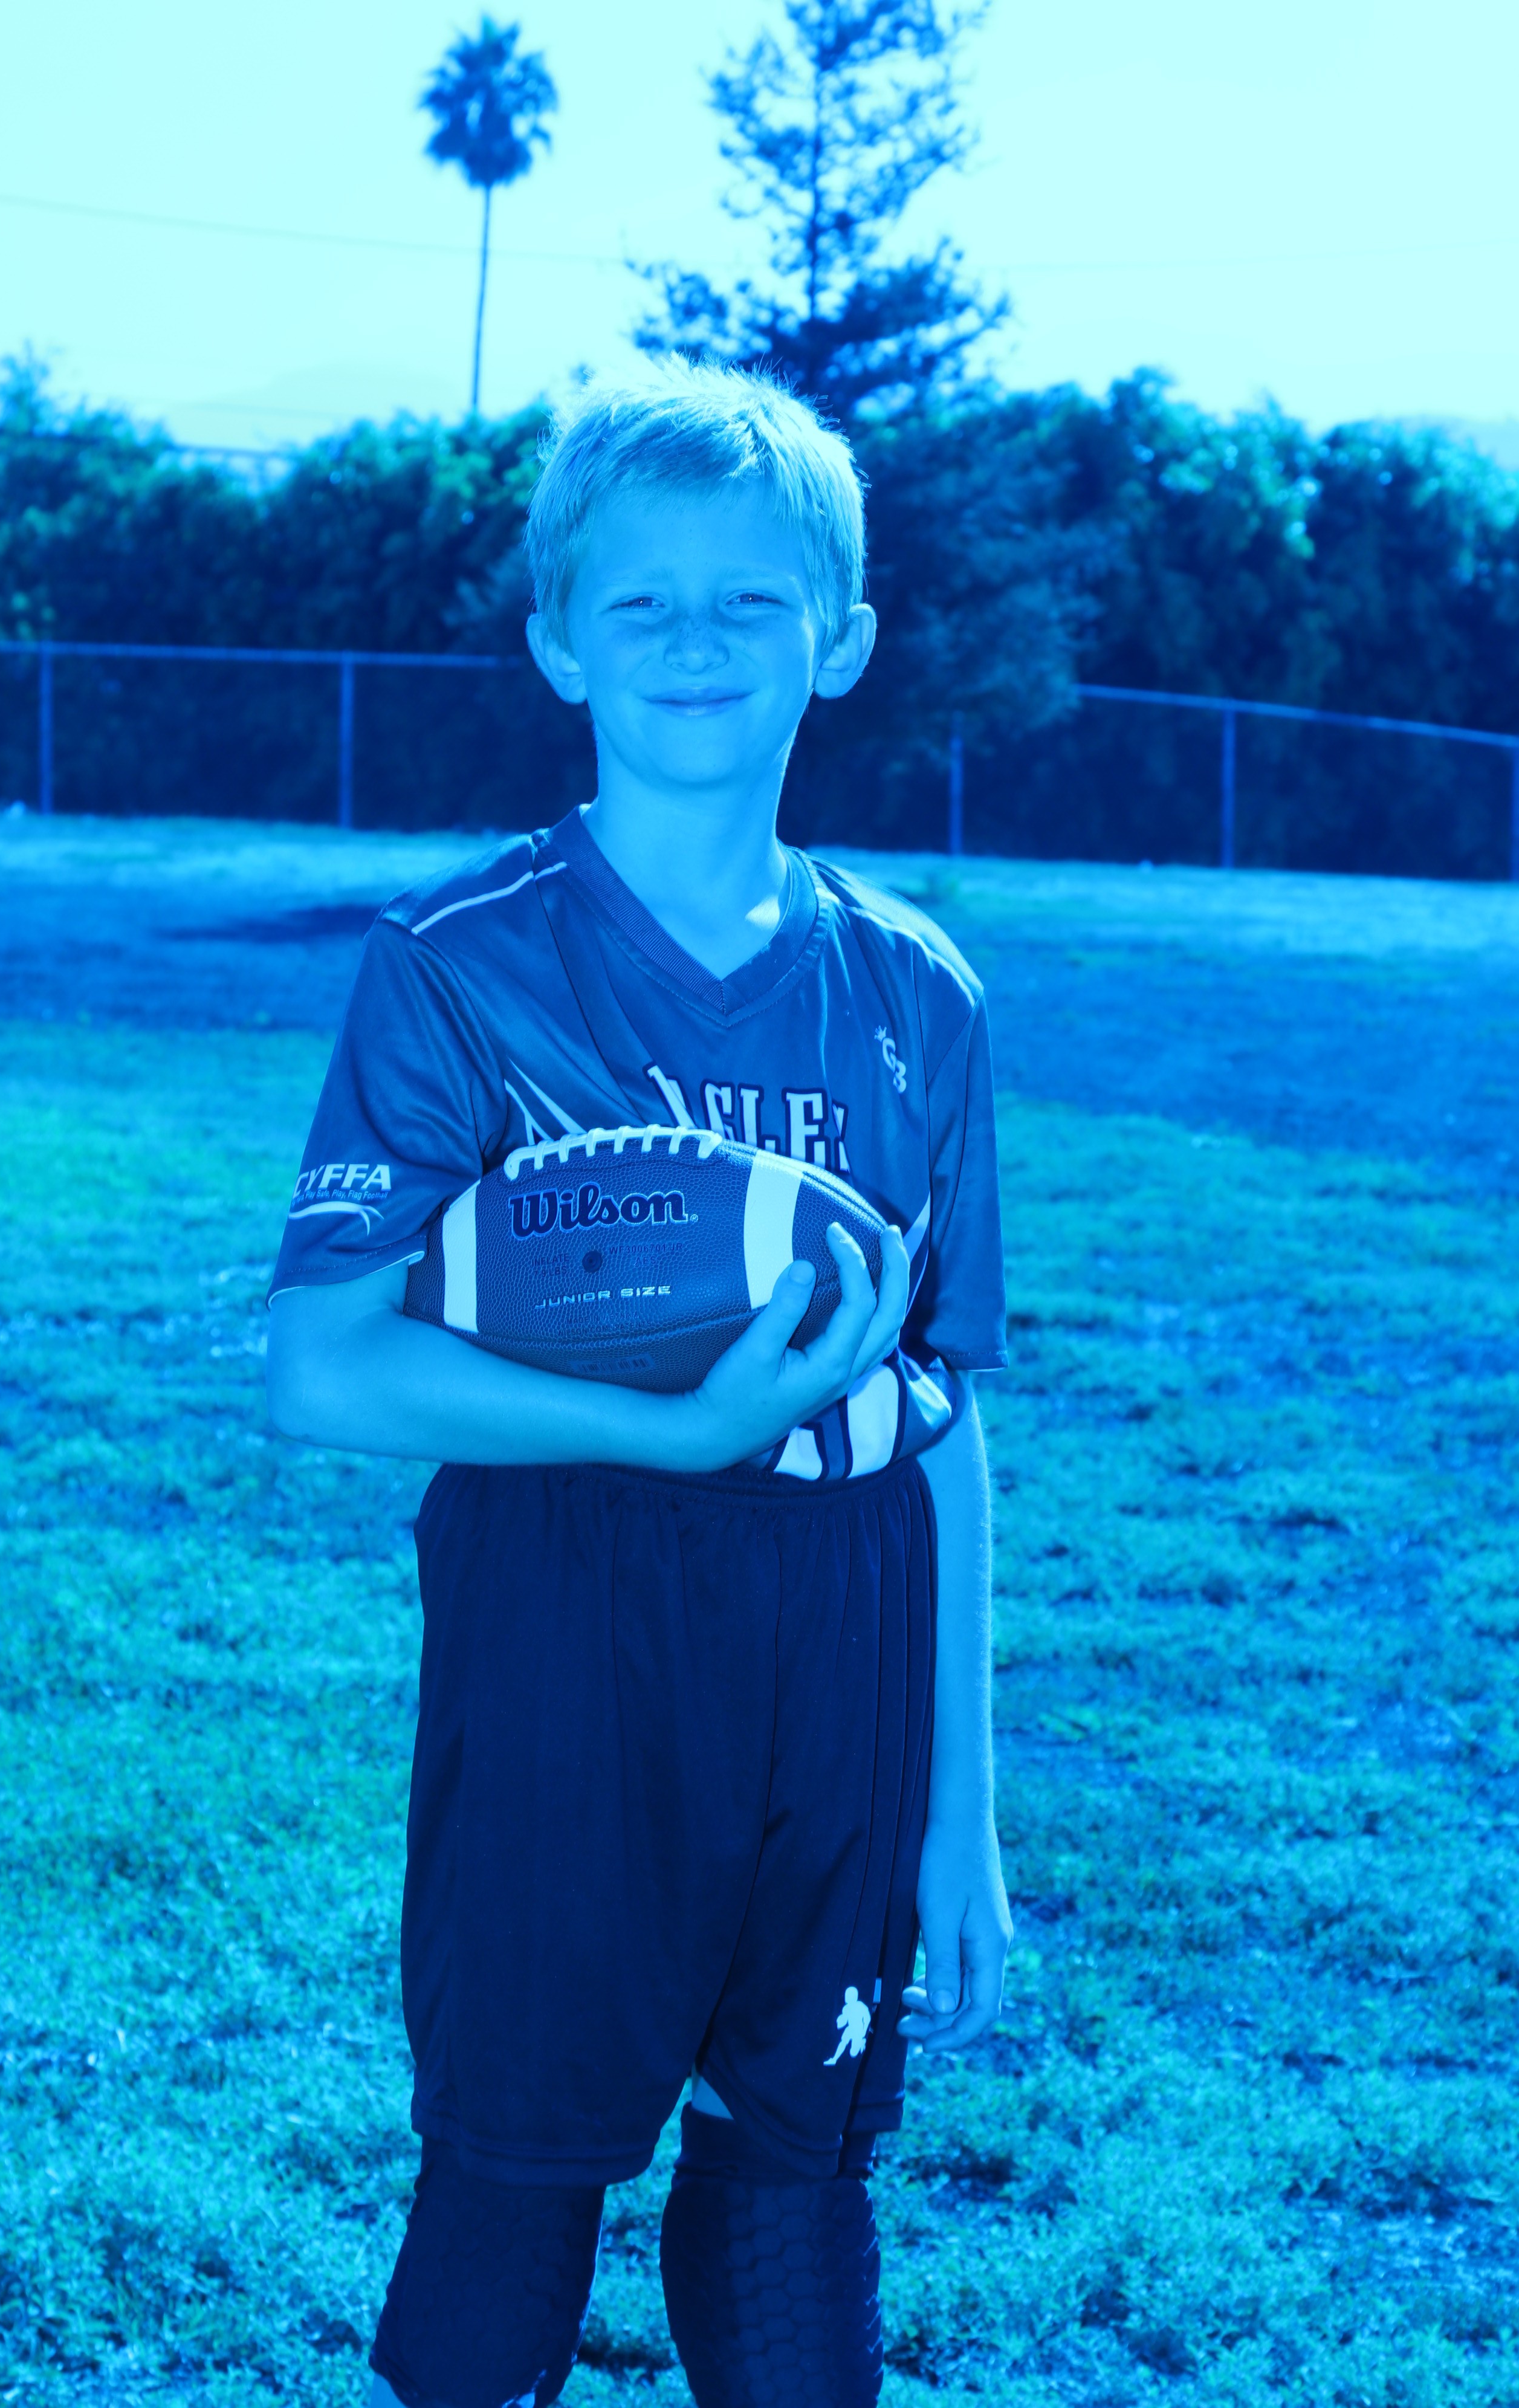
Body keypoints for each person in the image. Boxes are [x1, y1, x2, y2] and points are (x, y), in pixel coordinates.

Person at [266, 360, 1012, 2408]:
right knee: (512, 2183)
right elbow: (321, 1365)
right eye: (643, 600)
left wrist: (960, 1818)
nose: (696, 639)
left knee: (795, 2186)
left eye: (753, 598)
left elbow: (942, 1422)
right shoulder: (458, 961)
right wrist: (666, 1428)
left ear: (839, 642)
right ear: (556, 641)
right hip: (566, 1613)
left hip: (844, 1635)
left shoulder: (917, 991)